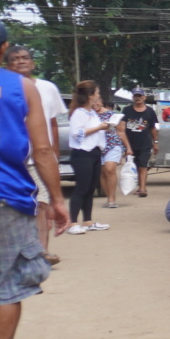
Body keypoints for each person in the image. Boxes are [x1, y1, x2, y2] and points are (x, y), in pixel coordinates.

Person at [0, 15, 69, 339]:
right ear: (4, 50)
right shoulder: (22, 86)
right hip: (7, 197)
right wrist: (58, 199)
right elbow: (43, 148)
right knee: (9, 286)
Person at [5, 47, 65, 265]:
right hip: (11, 160)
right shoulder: (2, 89)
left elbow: (52, 123)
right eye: (15, 59)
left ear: (33, 63)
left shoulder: (48, 88)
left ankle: (42, 252)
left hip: (39, 159)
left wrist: (54, 151)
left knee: (42, 204)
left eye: (25, 58)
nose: (20, 62)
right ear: (7, 64)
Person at [65, 81, 111, 234]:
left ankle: (87, 221)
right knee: (81, 188)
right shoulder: (79, 113)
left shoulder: (91, 112)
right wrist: (99, 127)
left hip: (95, 152)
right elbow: (76, 133)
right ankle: (72, 223)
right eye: (97, 93)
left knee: (91, 188)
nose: (98, 96)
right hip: (82, 154)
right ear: (90, 95)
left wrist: (102, 126)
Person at [121, 88, 158, 197]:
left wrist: (155, 142)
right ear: (132, 98)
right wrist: (125, 145)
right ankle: (137, 186)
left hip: (145, 143)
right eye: (135, 96)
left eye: (139, 96)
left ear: (144, 97)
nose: (137, 98)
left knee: (143, 165)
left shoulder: (150, 111)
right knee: (134, 166)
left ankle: (142, 188)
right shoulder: (126, 111)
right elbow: (122, 129)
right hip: (130, 144)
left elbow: (153, 128)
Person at [97, 94, 129, 209]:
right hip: (97, 147)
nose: (95, 104)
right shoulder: (89, 115)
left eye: (97, 102)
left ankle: (112, 199)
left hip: (113, 144)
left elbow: (121, 132)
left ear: (101, 102)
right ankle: (108, 197)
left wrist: (128, 148)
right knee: (102, 172)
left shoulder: (112, 115)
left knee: (109, 169)